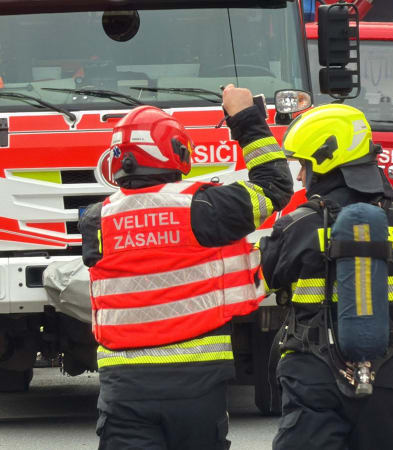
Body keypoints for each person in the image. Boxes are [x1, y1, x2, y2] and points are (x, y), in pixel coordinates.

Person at [79, 85, 293, 449]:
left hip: (123, 384)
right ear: (177, 152)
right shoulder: (205, 207)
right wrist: (246, 120)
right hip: (197, 381)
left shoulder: (96, 220)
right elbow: (275, 186)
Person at [260, 104, 393, 449]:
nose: (301, 177)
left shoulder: (298, 225)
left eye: (304, 166)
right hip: (385, 374)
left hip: (313, 374)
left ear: (324, 162)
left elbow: (270, 279)